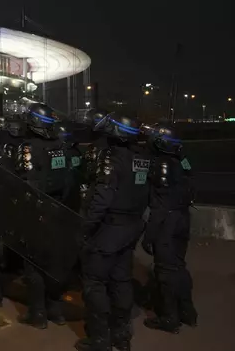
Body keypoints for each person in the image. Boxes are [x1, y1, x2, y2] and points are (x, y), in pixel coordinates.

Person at [76, 113, 151, 351]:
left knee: (94, 283)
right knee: (121, 280)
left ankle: (100, 340)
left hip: (109, 229)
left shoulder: (111, 157)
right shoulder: (142, 157)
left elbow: (102, 198)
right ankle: (122, 336)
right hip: (131, 227)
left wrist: (86, 227)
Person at [11, 103, 73, 328]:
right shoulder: (60, 145)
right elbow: (67, 180)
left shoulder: (28, 147)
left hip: (36, 210)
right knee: (54, 262)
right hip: (58, 209)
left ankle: (37, 314)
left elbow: (23, 182)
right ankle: (55, 311)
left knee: (33, 265)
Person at [142, 124, 197, 333]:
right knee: (179, 266)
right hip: (183, 217)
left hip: (168, 221)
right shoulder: (181, 162)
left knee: (165, 270)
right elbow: (190, 174)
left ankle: (169, 318)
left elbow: (160, 205)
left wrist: (149, 235)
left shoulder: (161, 164)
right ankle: (187, 312)